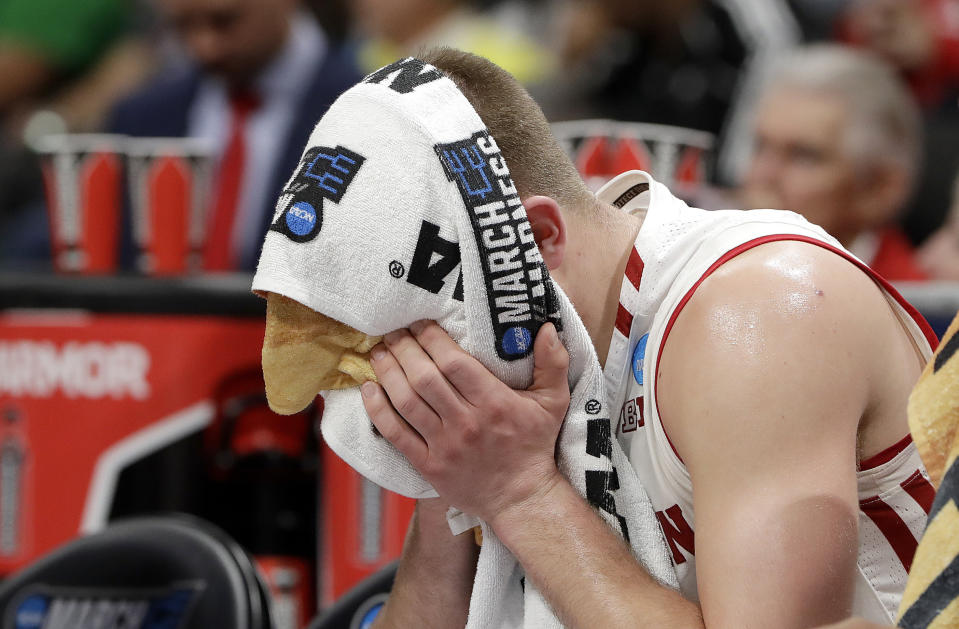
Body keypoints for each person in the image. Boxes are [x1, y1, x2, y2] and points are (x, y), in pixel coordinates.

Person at [353, 49, 936, 628]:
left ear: (531, 242)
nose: (410, 350)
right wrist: (450, 488)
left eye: (419, 302)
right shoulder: (507, 374)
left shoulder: (762, 308)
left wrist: (518, 493)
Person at [108, 0, 361, 271]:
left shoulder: (367, 117)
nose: (204, 48)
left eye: (224, 21)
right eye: (181, 26)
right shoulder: (140, 118)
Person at [741, 44, 928, 281]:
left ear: (880, 189)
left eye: (803, 156)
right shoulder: (706, 264)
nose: (762, 176)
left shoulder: (910, 309)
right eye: (760, 147)